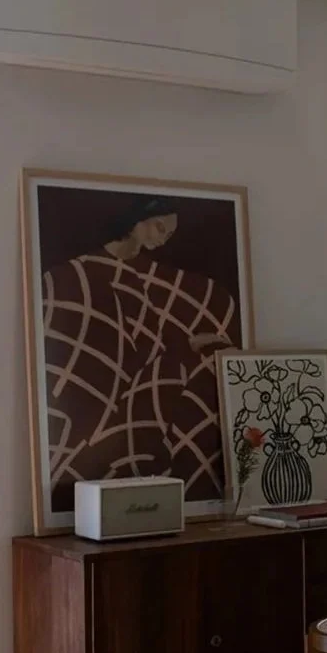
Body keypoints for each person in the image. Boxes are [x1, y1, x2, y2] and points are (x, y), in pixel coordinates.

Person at [41, 196, 239, 511]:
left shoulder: (176, 286)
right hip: (91, 423)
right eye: (160, 227)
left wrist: (188, 352)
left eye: (169, 235)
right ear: (137, 219)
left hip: (153, 405)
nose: (162, 238)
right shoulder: (68, 279)